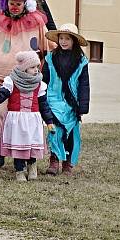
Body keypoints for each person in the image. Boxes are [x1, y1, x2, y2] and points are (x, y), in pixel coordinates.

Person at [0, 0, 52, 168]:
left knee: (22, 121)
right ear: (6, 2)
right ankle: (0, 148)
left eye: (18, 4)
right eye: (11, 3)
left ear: (25, 4)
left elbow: (47, 45)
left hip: (27, 82)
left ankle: (24, 156)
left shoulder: (36, 22)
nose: (14, 7)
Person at [0, 50, 55, 182]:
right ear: (24, 68)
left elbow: (44, 105)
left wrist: (49, 121)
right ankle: (19, 170)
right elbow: (2, 94)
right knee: (19, 145)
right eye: (32, 67)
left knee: (31, 144)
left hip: (33, 120)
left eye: (37, 66)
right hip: (16, 120)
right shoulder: (12, 81)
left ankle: (32, 165)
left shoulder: (39, 84)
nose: (36, 70)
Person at [43, 23, 90, 176]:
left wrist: (83, 105)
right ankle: (54, 159)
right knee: (55, 130)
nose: (63, 41)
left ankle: (67, 162)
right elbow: (44, 79)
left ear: (73, 41)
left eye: (67, 39)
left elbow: (84, 84)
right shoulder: (50, 58)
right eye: (61, 38)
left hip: (72, 103)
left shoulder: (81, 61)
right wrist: (41, 98)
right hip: (53, 99)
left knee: (70, 133)